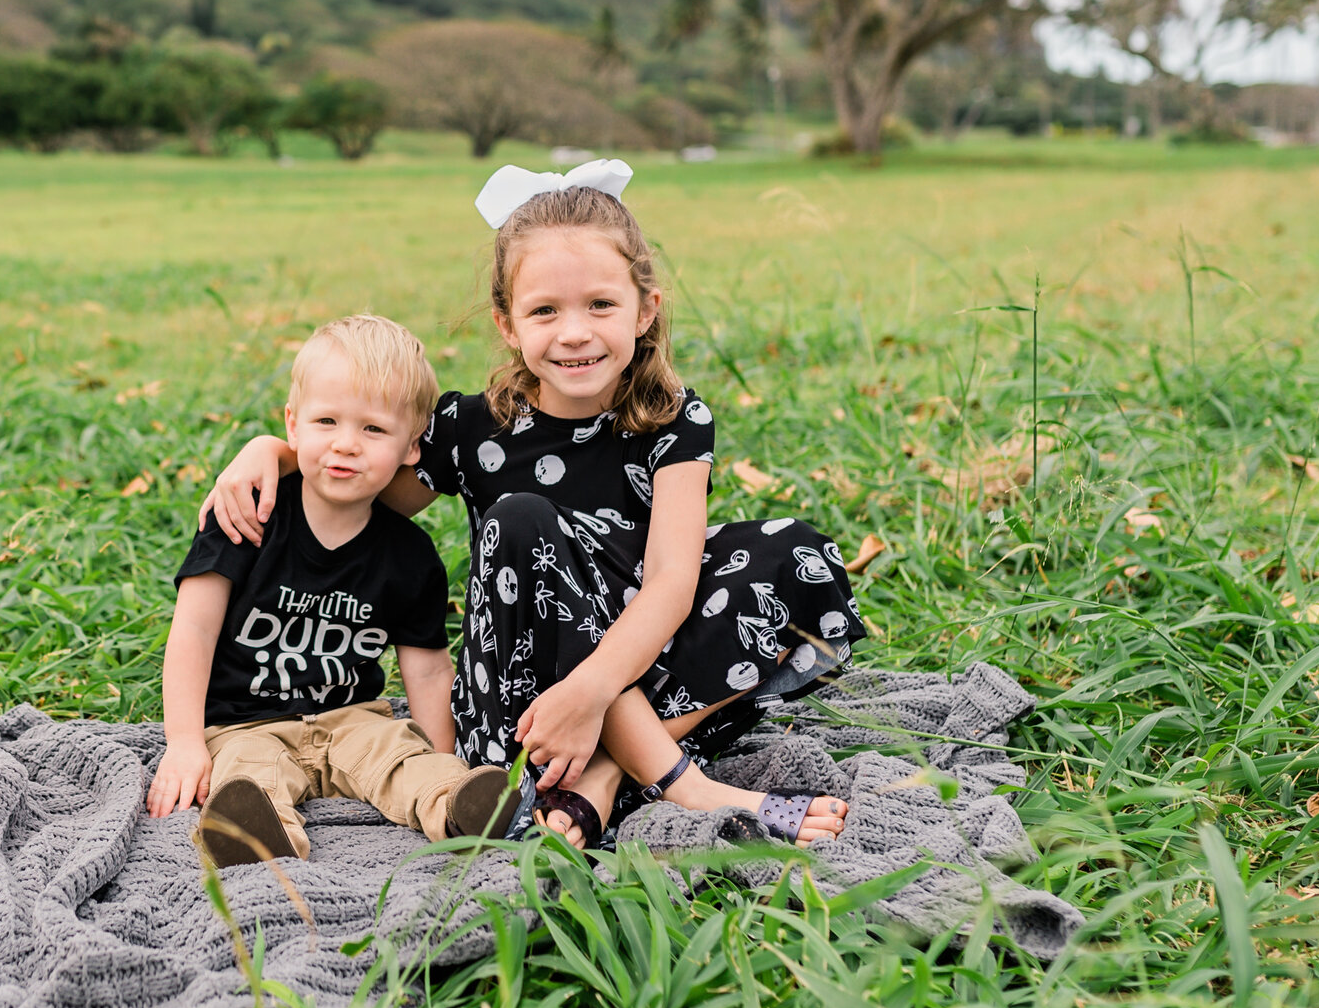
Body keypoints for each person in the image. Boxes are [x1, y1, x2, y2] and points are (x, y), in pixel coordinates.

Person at [202, 161, 860, 849]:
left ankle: (601, 779)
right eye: (545, 310)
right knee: (522, 519)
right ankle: (686, 786)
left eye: (600, 306)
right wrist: (269, 450)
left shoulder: (674, 419)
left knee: (797, 553)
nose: (574, 332)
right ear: (508, 323)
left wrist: (592, 693)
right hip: (521, 705)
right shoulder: (470, 428)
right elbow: (354, 481)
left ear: (645, 310)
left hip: (625, 676)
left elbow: (671, 581)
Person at [147, 313, 516, 865]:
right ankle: (256, 836)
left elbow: (430, 669)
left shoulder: (410, 556)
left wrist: (444, 757)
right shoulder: (247, 514)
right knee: (249, 771)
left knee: (397, 753)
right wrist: (184, 743)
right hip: (245, 723)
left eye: (373, 429)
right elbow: (193, 631)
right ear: (292, 425)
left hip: (353, 719)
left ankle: (459, 804)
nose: (346, 445)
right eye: (327, 422)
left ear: (412, 447)